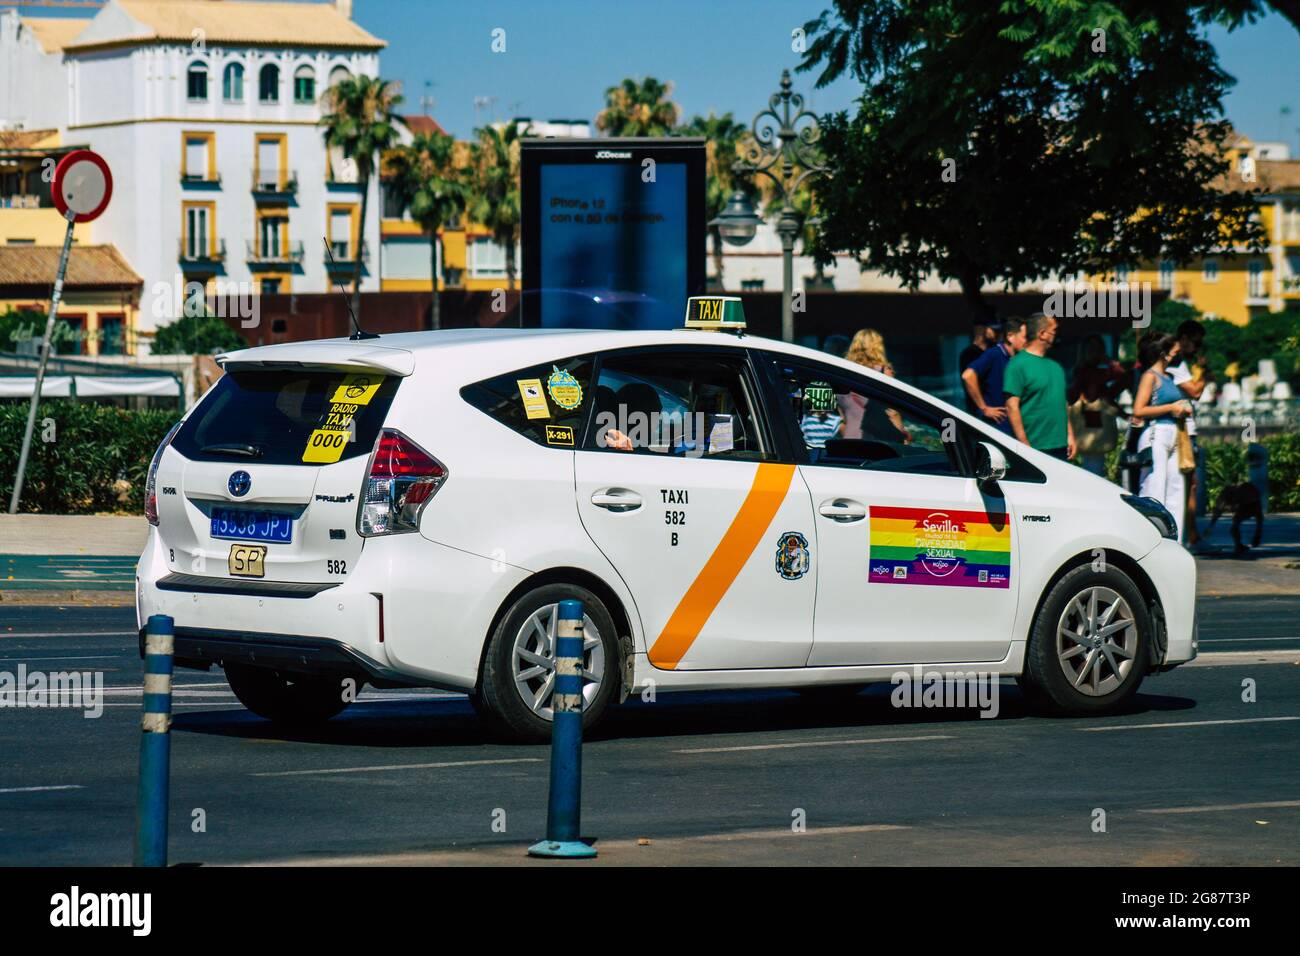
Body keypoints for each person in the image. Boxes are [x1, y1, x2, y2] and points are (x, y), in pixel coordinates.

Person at [1132, 332, 1194, 542]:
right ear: (1163, 353)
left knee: (1176, 489)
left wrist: (1182, 408)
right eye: (1174, 350)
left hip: (1175, 433)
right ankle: (1148, 538)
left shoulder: (1169, 377)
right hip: (1157, 432)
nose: (1177, 353)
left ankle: (1173, 540)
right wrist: (1172, 407)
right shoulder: (1150, 376)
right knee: (1154, 486)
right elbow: (1138, 410)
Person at [1003, 312, 1075, 460]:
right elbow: (1012, 407)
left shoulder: (1056, 367)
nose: (1056, 335)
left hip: (1060, 447)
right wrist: (1024, 445)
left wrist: (1070, 435)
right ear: (1042, 334)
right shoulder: (1017, 365)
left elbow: (1063, 404)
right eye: (1053, 331)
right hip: (1034, 448)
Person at [1169, 319, 1209, 546]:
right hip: (1182, 429)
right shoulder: (1176, 362)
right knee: (1188, 481)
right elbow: (1195, 391)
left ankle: (1189, 531)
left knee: (1187, 481)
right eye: (1196, 342)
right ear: (1184, 338)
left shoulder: (1177, 361)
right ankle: (1189, 532)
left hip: (1183, 427)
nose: (1197, 348)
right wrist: (1203, 371)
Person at [1067, 334, 1127, 476]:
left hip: (1091, 417)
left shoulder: (1086, 370)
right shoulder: (1086, 371)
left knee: (1094, 461)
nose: (1096, 353)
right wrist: (1109, 362)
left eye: (1099, 349)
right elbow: (1120, 377)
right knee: (1093, 463)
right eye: (1092, 349)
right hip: (1091, 417)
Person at [839, 328, 910, 443]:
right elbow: (892, 412)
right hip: (877, 442)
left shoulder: (843, 373)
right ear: (878, 347)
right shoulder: (883, 373)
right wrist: (902, 435)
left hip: (850, 440)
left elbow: (842, 416)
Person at [961, 316, 1027, 435]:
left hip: (1015, 428)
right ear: (1010, 336)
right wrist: (984, 408)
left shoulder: (1018, 359)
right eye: (1024, 337)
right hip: (997, 429)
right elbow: (968, 376)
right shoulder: (994, 353)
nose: (1027, 342)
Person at [958, 320, 999, 414]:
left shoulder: (991, 351)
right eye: (993, 329)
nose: (996, 332)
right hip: (980, 413)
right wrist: (984, 408)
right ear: (982, 330)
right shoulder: (970, 354)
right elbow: (968, 378)